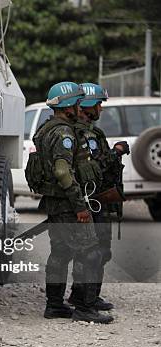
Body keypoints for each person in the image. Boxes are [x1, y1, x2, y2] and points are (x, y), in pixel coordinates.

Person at [29, 81, 113, 324]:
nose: (81, 108)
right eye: (77, 103)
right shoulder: (64, 133)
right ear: (67, 107)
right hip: (67, 204)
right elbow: (63, 171)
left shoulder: (47, 129)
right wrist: (80, 207)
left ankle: (54, 305)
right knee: (90, 253)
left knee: (60, 253)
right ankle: (85, 308)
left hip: (54, 203)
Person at [66, 83, 129, 311]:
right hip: (88, 201)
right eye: (99, 104)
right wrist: (115, 153)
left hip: (99, 200)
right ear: (88, 105)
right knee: (92, 252)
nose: (101, 109)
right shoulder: (76, 133)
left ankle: (86, 294)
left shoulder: (94, 132)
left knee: (101, 251)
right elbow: (92, 168)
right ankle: (85, 299)